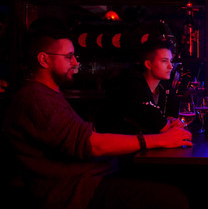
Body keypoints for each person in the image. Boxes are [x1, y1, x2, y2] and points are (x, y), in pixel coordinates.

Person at [1, 17, 192, 209]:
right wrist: (160, 140)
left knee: (183, 182)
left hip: (93, 177)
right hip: (76, 192)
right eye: (68, 57)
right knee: (174, 199)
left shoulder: (48, 94)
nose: (75, 62)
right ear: (44, 59)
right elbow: (91, 144)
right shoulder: (34, 98)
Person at [98, 21, 179, 135]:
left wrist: (169, 122)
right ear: (148, 64)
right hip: (120, 149)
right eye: (164, 61)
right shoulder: (132, 86)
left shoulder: (165, 87)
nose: (170, 66)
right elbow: (159, 125)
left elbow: (175, 119)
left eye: (171, 61)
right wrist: (167, 123)